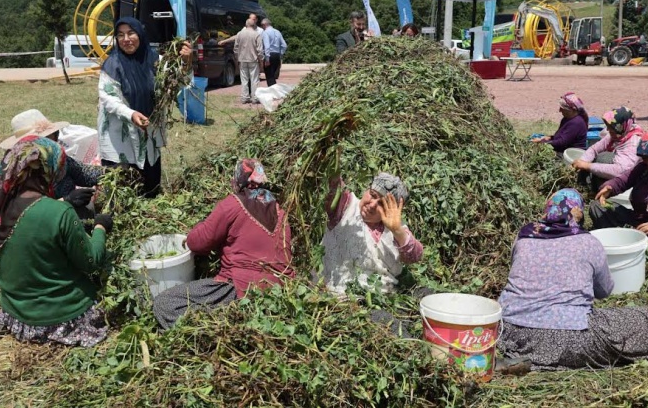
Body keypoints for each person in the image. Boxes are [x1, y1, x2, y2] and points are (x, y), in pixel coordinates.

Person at [497, 188, 648, 371]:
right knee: (644, 319)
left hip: (506, 329)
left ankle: (521, 358)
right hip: (567, 337)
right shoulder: (588, 242)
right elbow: (604, 290)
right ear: (577, 213)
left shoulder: (524, 236)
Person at [0, 136, 113, 346]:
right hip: (62, 317)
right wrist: (100, 227)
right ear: (46, 170)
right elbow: (91, 262)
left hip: (18, 314)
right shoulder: (59, 212)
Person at [153, 159, 295, 329]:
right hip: (279, 292)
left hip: (239, 289)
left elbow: (198, 242)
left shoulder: (233, 204)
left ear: (238, 180)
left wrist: (191, 235)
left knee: (165, 302)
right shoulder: (280, 212)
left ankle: (209, 332)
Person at [98, 17, 192, 198]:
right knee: (123, 192)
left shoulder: (155, 60)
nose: (126, 39)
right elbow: (108, 98)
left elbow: (177, 83)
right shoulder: (112, 64)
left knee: (150, 189)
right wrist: (130, 113)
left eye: (131, 33)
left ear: (140, 34)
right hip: (120, 137)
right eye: (120, 35)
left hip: (149, 131)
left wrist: (187, 62)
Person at [321, 172, 423, 295]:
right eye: (372, 195)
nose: (373, 204)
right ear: (366, 190)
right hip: (339, 297)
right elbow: (331, 181)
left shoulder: (395, 229)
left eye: (382, 204)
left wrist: (397, 230)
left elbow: (415, 256)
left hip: (383, 298)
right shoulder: (345, 207)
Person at [0, 109, 104, 218]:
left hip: (71, 217)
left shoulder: (58, 158)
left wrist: (108, 171)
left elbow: (82, 173)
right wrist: (66, 201)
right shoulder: (21, 173)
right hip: (45, 225)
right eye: (45, 140)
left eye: (52, 136)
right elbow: (27, 212)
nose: (52, 143)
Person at [590, 129, 648, 243]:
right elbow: (624, 180)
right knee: (598, 207)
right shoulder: (644, 167)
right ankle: (624, 239)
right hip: (637, 221)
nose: (647, 161)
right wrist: (610, 187)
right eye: (644, 157)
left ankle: (632, 241)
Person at [572, 107, 643, 192]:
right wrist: (581, 162)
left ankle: (597, 190)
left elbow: (619, 170)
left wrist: (588, 166)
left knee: (603, 158)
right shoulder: (617, 134)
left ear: (621, 127)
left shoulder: (633, 143)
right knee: (587, 163)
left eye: (611, 129)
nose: (608, 130)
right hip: (612, 175)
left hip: (625, 183)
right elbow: (594, 149)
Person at [234, 19, 264, 104]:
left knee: (244, 79)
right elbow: (260, 50)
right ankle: (254, 98)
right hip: (253, 60)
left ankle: (244, 97)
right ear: (254, 25)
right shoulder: (256, 34)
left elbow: (235, 48)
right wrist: (261, 59)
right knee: (254, 80)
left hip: (242, 59)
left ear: (245, 24)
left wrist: (237, 58)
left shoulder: (239, 34)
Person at [260, 18, 288, 86]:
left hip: (269, 55)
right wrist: (280, 54)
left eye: (262, 25)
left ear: (264, 25)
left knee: (269, 76)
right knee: (273, 76)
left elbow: (267, 47)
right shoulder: (277, 32)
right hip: (277, 55)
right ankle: (274, 90)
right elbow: (284, 45)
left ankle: (272, 92)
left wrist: (267, 59)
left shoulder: (265, 32)